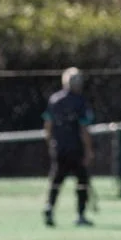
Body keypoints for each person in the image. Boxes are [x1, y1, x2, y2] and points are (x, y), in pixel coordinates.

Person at [43, 67, 94, 227]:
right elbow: (84, 129)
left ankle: (49, 207)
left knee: (56, 180)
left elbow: (48, 126)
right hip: (76, 150)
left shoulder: (54, 100)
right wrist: (88, 150)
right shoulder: (80, 102)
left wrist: (51, 143)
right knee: (82, 182)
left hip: (60, 149)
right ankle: (80, 214)